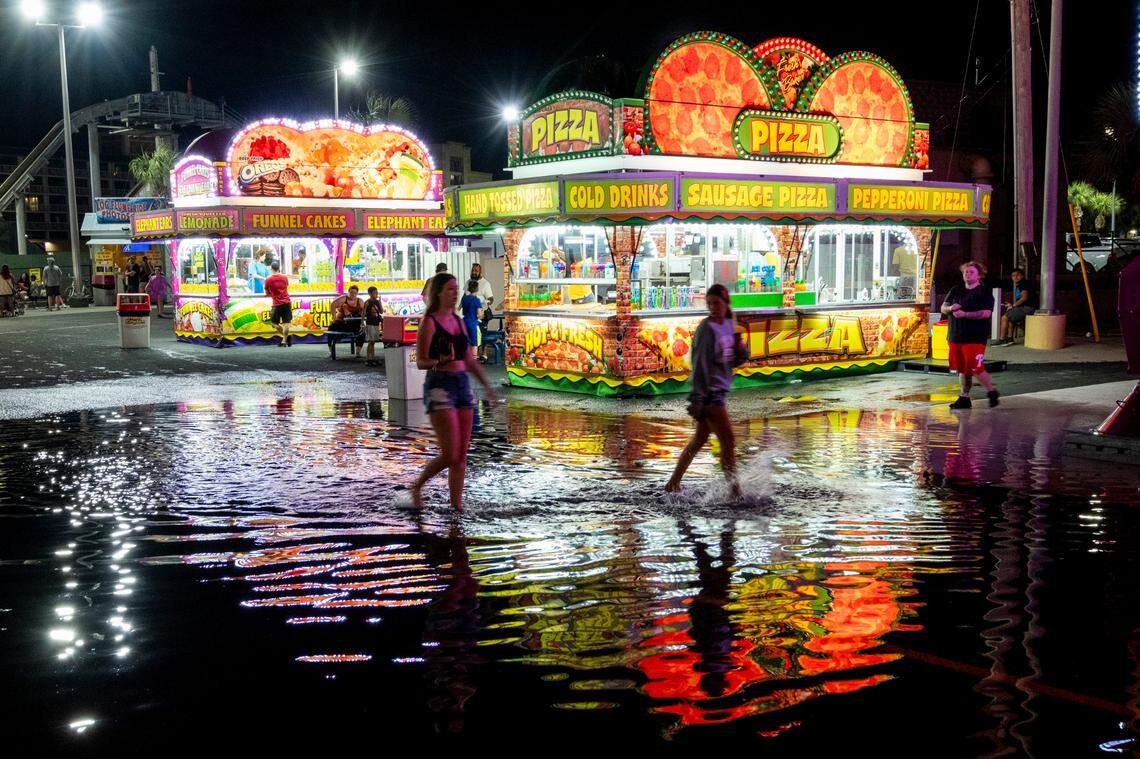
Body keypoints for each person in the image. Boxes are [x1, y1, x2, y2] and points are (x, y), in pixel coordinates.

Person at [409, 273, 498, 511]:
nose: (454, 293)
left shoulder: (458, 322)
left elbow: (469, 359)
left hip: (462, 385)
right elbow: (421, 361)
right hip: (440, 385)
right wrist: (439, 360)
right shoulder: (429, 323)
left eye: (456, 289)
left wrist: (487, 387)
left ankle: (456, 507)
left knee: (461, 455)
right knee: (450, 454)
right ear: (438, 293)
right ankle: (417, 487)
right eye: (449, 289)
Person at [665, 283, 745, 496]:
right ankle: (734, 491)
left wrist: (740, 346)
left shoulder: (729, 325)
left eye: (716, 303)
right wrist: (698, 398)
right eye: (709, 304)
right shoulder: (706, 329)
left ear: (726, 303)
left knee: (699, 440)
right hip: (711, 393)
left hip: (719, 389)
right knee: (728, 441)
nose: (713, 308)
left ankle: (673, 483)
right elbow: (700, 364)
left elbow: (734, 360)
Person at [942, 261, 999, 409]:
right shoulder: (956, 290)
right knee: (962, 369)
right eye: (965, 272)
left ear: (979, 275)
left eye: (971, 272)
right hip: (955, 335)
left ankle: (991, 391)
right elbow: (943, 307)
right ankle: (964, 396)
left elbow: (986, 313)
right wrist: (949, 308)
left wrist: (965, 314)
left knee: (975, 367)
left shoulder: (984, 292)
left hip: (975, 336)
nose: (967, 274)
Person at [993, 267, 1035, 346]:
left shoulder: (1023, 283)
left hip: (1028, 308)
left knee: (1004, 317)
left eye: (1018, 275)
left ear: (1022, 276)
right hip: (1027, 307)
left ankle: (1002, 339)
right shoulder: (1022, 284)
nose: (1015, 277)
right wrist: (1012, 306)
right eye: (1013, 276)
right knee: (1011, 316)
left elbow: (1024, 298)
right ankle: (1009, 338)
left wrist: (1013, 305)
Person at [327, 285, 365, 358]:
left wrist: (363, 322)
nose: (353, 294)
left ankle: (358, 352)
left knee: (362, 332)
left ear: (357, 293)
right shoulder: (344, 298)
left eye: (355, 293)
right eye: (351, 292)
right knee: (331, 328)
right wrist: (334, 317)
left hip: (354, 324)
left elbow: (364, 312)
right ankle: (331, 351)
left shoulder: (360, 301)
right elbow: (332, 305)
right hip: (341, 322)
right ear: (348, 292)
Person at [264, 262, 292, 347]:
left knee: (274, 323)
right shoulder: (285, 277)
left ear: (271, 268)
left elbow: (267, 292)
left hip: (276, 304)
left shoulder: (268, 279)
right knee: (286, 323)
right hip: (287, 302)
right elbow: (286, 287)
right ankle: (285, 339)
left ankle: (284, 339)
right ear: (278, 268)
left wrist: (272, 293)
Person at [363, 286, 384, 366]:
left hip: (376, 323)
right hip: (370, 323)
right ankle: (368, 358)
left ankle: (372, 358)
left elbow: (381, 311)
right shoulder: (367, 302)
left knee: (374, 341)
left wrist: (380, 302)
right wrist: (362, 323)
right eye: (374, 293)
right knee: (371, 341)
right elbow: (363, 313)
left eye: (376, 292)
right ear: (370, 293)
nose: (376, 294)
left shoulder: (377, 302)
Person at [460, 279, 482, 353]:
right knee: (474, 343)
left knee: (464, 342)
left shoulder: (464, 298)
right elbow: (479, 314)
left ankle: (464, 361)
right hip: (472, 322)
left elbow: (461, 309)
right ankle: (473, 361)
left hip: (464, 322)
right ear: (477, 289)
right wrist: (482, 314)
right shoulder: (476, 300)